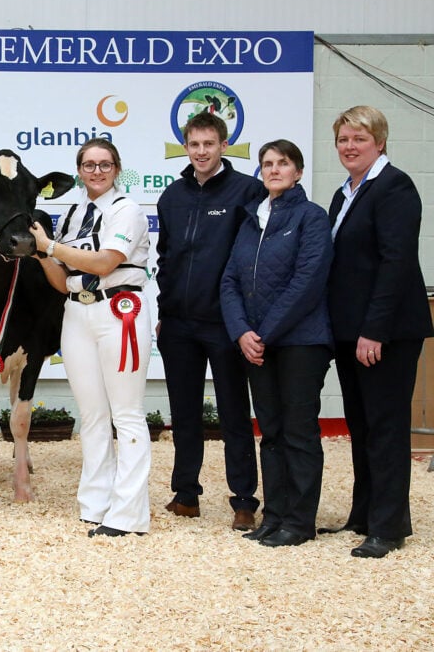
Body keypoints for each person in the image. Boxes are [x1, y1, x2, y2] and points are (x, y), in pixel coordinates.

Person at [322, 106, 433, 558]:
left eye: (359, 139)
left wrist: (374, 331)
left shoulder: (394, 187)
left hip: (382, 333)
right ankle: (364, 512)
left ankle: (389, 527)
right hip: (351, 332)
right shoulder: (345, 192)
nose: (350, 146)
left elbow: (395, 264)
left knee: (385, 427)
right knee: (361, 424)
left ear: (380, 142)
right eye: (344, 139)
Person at [30, 138, 152, 537]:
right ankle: (95, 503)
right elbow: (63, 282)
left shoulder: (127, 210)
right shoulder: (74, 213)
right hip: (78, 309)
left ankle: (129, 514)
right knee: (94, 415)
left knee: (127, 413)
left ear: (117, 168)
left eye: (104, 164)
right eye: (88, 165)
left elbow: (105, 262)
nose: (96, 171)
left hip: (120, 310)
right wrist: (42, 254)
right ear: (79, 170)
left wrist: (51, 245)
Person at [155, 111, 266, 531]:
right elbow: (166, 261)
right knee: (184, 413)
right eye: (194, 144)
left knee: (234, 413)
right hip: (179, 324)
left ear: (223, 146)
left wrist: (244, 321)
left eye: (209, 144)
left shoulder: (247, 191)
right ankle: (186, 495)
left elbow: (253, 258)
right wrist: (166, 313)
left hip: (225, 324)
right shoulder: (172, 196)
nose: (201, 151)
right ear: (186, 146)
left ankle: (243, 501)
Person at [220, 140, 333, 548]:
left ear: (298, 172)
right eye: (266, 164)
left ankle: (300, 521)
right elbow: (229, 280)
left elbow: (307, 282)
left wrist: (263, 332)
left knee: (298, 431)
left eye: (282, 163)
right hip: (257, 345)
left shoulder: (311, 217)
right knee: (270, 432)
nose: (273, 170)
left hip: (301, 343)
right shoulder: (252, 219)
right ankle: (275, 515)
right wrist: (241, 332)